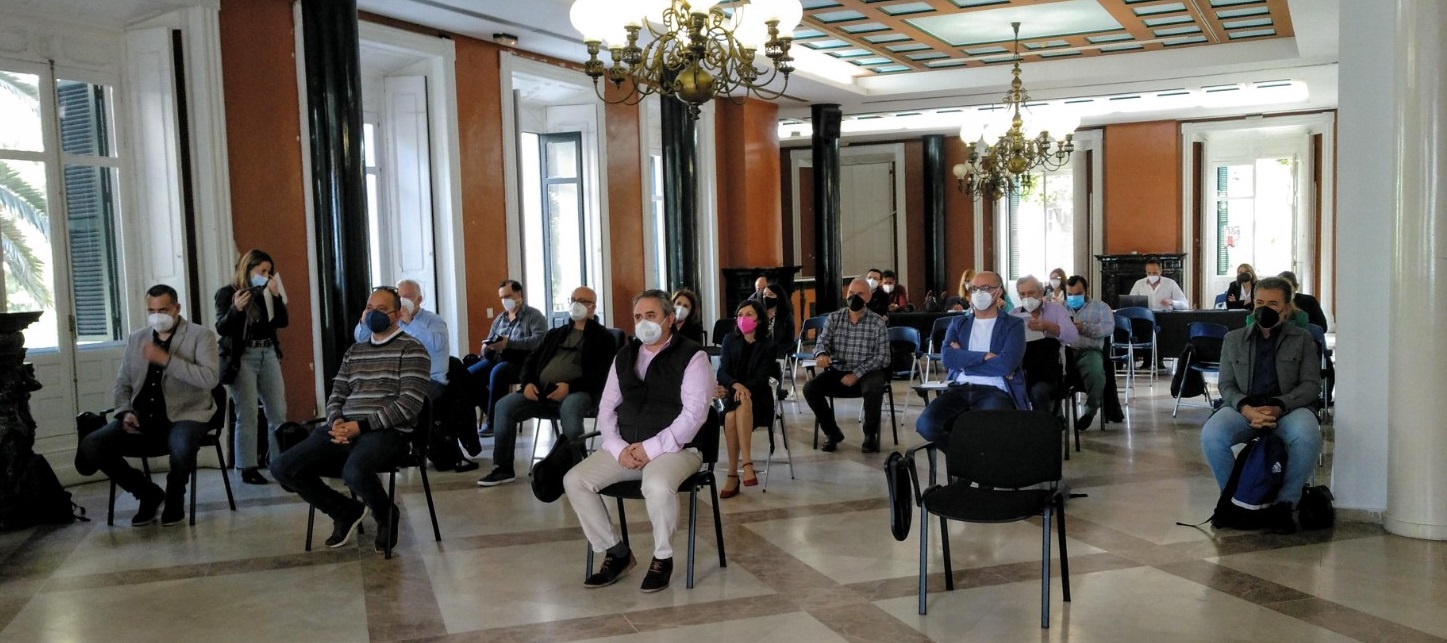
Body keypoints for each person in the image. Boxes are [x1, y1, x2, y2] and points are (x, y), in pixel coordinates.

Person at [563, 289, 714, 593]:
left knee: (656, 485)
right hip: (628, 447)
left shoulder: (693, 356)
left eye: (651, 315)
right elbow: (606, 408)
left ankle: (662, 558)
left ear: (669, 318)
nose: (643, 322)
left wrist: (651, 448)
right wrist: (618, 448)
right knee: (575, 480)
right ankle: (616, 551)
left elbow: (694, 415)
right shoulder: (624, 356)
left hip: (678, 449)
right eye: (638, 317)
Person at [272, 287, 432, 553]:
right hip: (343, 427)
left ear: (397, 314)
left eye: (382, 310)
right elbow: (337, 394)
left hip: (387, 432)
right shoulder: (355, 352)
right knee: (283, 467)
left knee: (354, 472)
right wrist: (336, 421)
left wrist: (361, 426)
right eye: (369, 308)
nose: (373, 314)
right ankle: (344, 511)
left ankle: (385, 513)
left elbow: (409, 404)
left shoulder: (413, 350)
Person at [79, 285, 219, 527]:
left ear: (176, 308)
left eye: (162, 310)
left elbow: (210, 379)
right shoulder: (137, 338)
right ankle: (147, 493)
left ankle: (175, 498)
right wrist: (125, 412)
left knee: (182, 446)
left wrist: (166, 360)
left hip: (186, 414)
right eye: (151, 311)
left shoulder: (201, 336)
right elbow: (122, 383)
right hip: (142, 417)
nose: (156, 316)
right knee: (91, 445)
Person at [1199, 277, 1322, 534]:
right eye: (1259, 302)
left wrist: (1278, 406)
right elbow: (1226, 385)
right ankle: (1235, 500)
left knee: (1307, 434)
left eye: (1273, 304)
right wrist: (1245, 408)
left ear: (1286, 308)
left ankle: (1284, 504)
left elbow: (1311, 385)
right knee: (1212, 434)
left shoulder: (1303, 339)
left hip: (1287, 410)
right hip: (1245, 410)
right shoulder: (1233, 339)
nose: (1264, 309)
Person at [476, 286, 615, 487]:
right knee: (503, 406)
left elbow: (602, 375)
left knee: (570, 408)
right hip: (542, 391)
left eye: (583, 301)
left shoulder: (604, 338)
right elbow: (531, 362)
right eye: (573, 300)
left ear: (593, 307)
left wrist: (569, 387)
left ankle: (575, 469)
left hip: (580, 392)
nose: (576, 304)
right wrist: (528, 384)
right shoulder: (555, 334)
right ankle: (503, 468)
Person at [352, 279, 472, 473]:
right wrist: (364, 322)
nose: (402, 300)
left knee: (410, 404)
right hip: (398, 381)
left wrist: (411, 323)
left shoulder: (433, 321)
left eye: (407, 297)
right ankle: (379, 451)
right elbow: (362, 339)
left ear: (419, 299)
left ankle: (414, 449)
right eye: (399, 297)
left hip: (431, 379)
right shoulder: (391, 321)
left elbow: (437, 344)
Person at [914, 271, 1027, 450]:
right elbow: (948, 358)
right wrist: (984, 356)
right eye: (974, 289)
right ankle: (966, 459)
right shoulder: (958, 323)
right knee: (925, 424)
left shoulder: (1013, 325)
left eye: (985, 288)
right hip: (959, 388)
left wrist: (964, 362)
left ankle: (969, 462)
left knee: (990, 430)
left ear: (998, 292)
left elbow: (1006, 365)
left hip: (995, 389)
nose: (978, 293)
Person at [215, 249, 288, 485]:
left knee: (278, 411)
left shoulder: (268, 290)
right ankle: (247, 466)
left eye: (269, 271)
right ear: (248, 269)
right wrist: (235, 309)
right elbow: (222, 328)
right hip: (243, 357)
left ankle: (279, 464)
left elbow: (282, 322)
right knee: (247, 413)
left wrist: (276, 297)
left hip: (268, 352)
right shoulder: (227, 293)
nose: (266, 275)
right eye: (262, 271)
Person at [804, 278, 890, 453]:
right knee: (810, 388)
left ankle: (870, 435)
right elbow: (822, 342)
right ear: (846, 295)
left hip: (867, 373)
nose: (854, 297)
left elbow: (883, 357)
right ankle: (832, 432)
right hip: (839, 371)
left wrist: (857, 373)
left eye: (860, 294)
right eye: (851, 293)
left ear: (869, 297)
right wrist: (821, 354)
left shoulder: (877, 323)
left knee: (874, 388)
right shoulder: (834, 318)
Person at [716, 299, 779, 498]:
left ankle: (733, 475)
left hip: (759, 399)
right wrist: (736, 385)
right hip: (734, 395)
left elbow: (762, 378)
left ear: (759, 320)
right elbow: (722, 372)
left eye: (749, 314)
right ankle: (746, 465)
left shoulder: (768, 345)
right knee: (731, 415)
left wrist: (743, 389)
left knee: (737, 409)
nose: (743, 318)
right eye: (740, 315)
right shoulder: (729, 340)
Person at [469, 280, 546, 437]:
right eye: (502, 297)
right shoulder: (500, 319)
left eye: (508, 296)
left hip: (522, 362)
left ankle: (494, 422)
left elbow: (539, 341)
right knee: (468, 375)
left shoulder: (534, 316)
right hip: (496, 358)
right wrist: (486, 347)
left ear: (519, 294)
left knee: (499, 372)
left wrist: (509, 343)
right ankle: (494, 410)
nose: (505, 300)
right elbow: (489, 339)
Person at [1010, 275, 1078, 412]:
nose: (1027, 298)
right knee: (1006, 390)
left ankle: (1045, 422)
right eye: (1022, 294)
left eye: (1031, 293)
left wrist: (1049, 327)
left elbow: (1072, 336)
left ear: (1041, 292)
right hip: (1022, 370)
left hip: (1050, 372)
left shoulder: (1057, 310)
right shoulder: (1013, 315)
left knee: (1038, 391)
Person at [1064, 275, 1113, 431]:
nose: (1073, 297)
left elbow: (1108, 328)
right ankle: (1056, 415)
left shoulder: (1100, 307)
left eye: (1077, 294)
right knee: (1051, 374)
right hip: (1065, 350)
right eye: (1070, 294)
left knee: (1096, 374)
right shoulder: (1060, 308)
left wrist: (1084, 328)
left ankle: (1090, 411)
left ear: (1086, 291)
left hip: (1089, 350)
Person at [761, 282, 795, 359]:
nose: (766, 297)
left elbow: (790, 342)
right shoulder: (759, 315)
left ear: (778, 297)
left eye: (771, 294)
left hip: (778, 353)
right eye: (764, 294)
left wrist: (775, 350)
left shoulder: (786, 316)